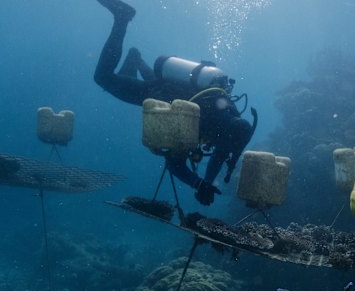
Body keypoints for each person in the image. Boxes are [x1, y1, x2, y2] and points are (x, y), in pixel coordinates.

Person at [94, 0, 256, 206]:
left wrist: (204, 183)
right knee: (103, 78)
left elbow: (219, 156)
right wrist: (198, 184)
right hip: (159, 94)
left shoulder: (226, 117)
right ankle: (122, 18)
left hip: (170, 89)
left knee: (144, 85)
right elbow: (174, 163)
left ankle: (135, 59)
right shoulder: (204, 125)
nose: (220, 150)